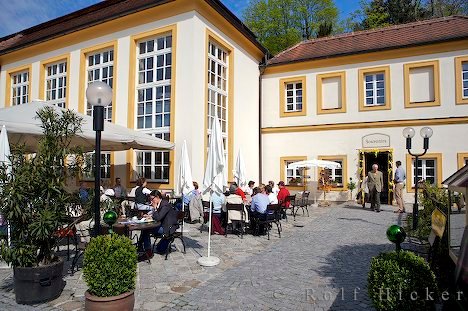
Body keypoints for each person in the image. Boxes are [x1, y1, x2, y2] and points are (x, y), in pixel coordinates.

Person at [139, 190, 178, 259]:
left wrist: (155, 208)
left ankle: (148, 252)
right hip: (163, 225)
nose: (151, 201)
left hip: (167, 228)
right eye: (150, 199)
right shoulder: (161, 204)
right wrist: (149, 216)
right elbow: (158, 216)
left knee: (146, 230)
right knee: (145, 229)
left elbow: (158, 217)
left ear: (157, 197)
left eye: (152, 199)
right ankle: (141, 248)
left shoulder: (165, 204)